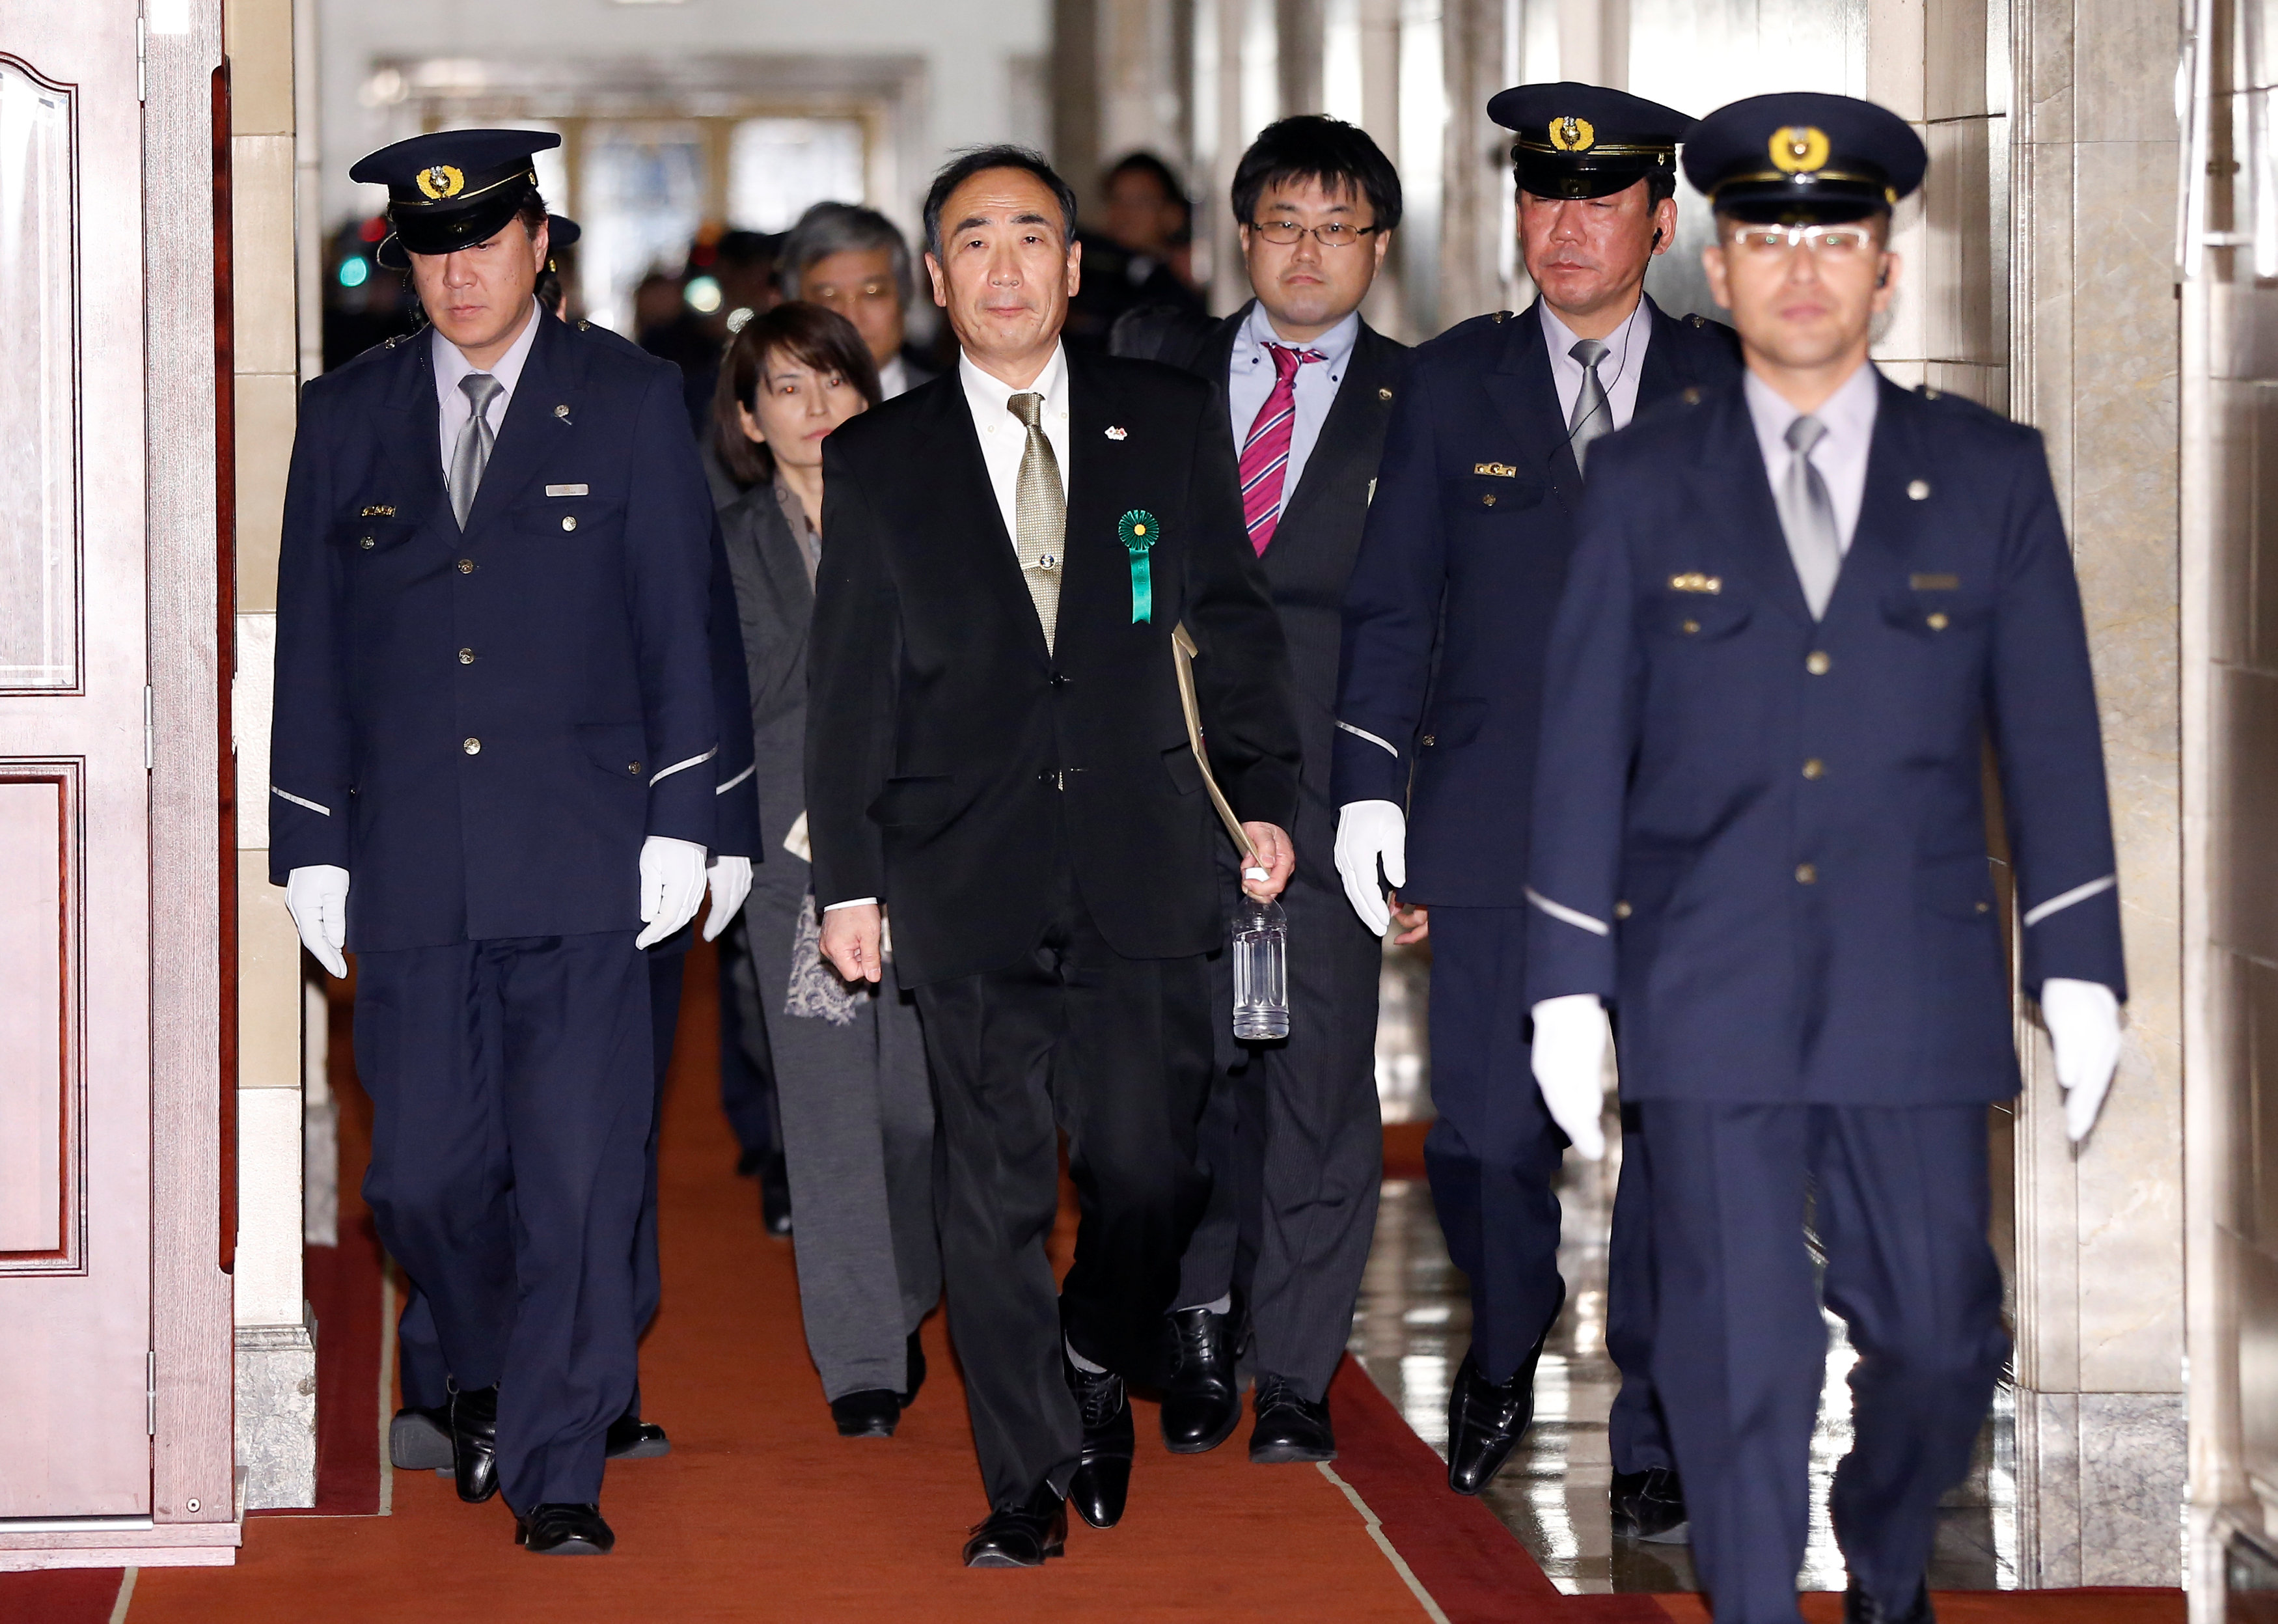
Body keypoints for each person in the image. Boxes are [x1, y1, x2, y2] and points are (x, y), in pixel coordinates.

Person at [1522, 92, 2126, 1624]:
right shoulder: (1648, 481)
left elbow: (2050, 736)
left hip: (1910, 989)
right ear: (1717, 268)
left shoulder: (1988, 474)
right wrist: (1563, 984)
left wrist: (2081, 962)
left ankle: (1877, 1559)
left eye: (1836, 238)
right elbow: (1584, 734)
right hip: (1705, 980)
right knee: (1741, 1355)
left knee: (1936, 1331)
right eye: (1768, 240)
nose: (1801, 269)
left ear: (1888, 269)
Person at [804, 146, 1302, 1567]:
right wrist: (850, 876)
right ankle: (1021, 1467)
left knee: (1152, 1169)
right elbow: (850, 689)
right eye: (974, 242)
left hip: (1149, 859)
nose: (1006, 267)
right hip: (963, 872)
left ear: (1075, 269)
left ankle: (1097, 1335)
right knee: (991, 1189)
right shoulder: (878, 459)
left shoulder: (1165, 416)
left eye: (1034, 236)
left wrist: (1263, 797)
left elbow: (1239, 623)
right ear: (935, 281)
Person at [272, 130, 737, 1557]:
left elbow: (683, 616)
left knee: (582, 1173)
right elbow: (316, 640)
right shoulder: (344, 413)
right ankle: (479, 1361)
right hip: (411, 861)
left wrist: (693, 813)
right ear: (403, 263)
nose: (460, 271)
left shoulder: (629, 400)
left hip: (587, 853)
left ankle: (556, 1460)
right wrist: (310, 837)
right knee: (419, 1176)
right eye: (433, 248)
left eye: (486, 241)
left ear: (543, 244)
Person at [1330, 82, 1742, 1530]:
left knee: (1682, 1134)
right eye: (1542, 199)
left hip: (1689, 837)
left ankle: (1659, 1409)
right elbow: (1392, 606)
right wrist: (1372, 787)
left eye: (1599, 200)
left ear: (1657, 219)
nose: (1564, 227)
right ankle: (1503, 1337)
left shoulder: (1726, 380)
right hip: (1498, 822)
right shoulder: (1449, 383)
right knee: (1486, 1134)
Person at [1114, 115, 1408, 1466]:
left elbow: (1448, 632)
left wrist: (1427, 832)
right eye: (1283, 223)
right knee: (1186, 1078)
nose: (1307, 252)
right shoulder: (1147, 367)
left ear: (1378, 250)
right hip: (1166, 790)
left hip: (1344, 800)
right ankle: (1194, 1318)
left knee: (1318, 1085)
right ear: (1241, 235)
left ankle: (1294, 1368)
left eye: (1336, 228)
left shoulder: (1422, 403)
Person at [709, 301, 942, 1438]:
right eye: (786, 390)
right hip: (793, 867)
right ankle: (861, 1357)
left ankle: (908, 1289)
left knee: (918, 1112)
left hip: (925, 850)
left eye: (835, 383)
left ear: (870, 392)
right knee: (830, 1111)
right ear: (750, 419)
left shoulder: (925, 516)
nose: (815, 409)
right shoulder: (724, 545)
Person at [779, 203, 937, 399]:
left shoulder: (956, 408)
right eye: (829, 297)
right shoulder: (762, 418)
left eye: (872, 293)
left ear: (905, 297)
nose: (852, 317)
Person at [1064, 152, 1205, 353]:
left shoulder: (1178, 286)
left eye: (1141, 202)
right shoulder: (1086, 268)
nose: (1125, 214)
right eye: (1116, 200)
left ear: (1173, 214)